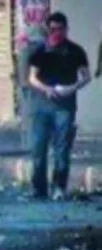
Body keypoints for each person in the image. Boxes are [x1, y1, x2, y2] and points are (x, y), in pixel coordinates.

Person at [27, 13, 91, 200]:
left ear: (66, 29)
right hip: (41, 106)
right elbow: (32, 77)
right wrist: (46, 89)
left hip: (64, 106)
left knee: (62, 149)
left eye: (60, 29)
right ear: (48, 29)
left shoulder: (75, 51)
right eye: (53, 29)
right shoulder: (40, 51)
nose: (56, 33)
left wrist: (71, 88)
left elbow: (86, 76)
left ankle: (59, 187)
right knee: (38, 149)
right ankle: (38, 189)